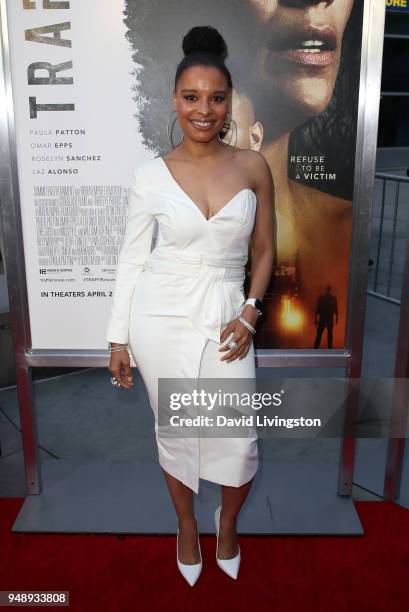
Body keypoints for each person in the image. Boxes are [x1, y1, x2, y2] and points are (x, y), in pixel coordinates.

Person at [106, 26, 274, 586]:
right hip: (161, 317)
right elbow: (131, 261)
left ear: (229, 103)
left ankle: (227, 522)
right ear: (174, 100)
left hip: (229, 314)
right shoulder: (149, 177)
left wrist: (251, 311)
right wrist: (118, 339)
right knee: (178, 430)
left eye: (216, 98)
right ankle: (184, 526)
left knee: (238, 434)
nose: (204, 109)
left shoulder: (254, 167)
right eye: (191, 97)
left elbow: (267, 251)